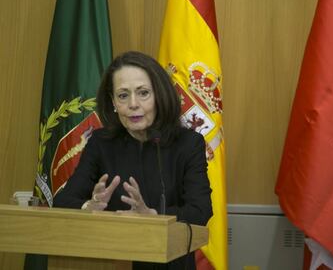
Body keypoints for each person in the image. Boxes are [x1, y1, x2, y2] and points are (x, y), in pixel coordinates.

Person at [53, 51, 213, 270]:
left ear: (160, 96)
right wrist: (89, 206)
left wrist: (152, 215)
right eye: (123, 95)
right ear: (113, 102)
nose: (133, 104)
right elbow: (62, 201)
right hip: (113, 262)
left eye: (143, 93)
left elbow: (200, 210)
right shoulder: (101, 143)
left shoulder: (187, 143)